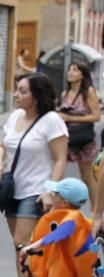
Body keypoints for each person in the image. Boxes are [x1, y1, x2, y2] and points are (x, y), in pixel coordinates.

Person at [0, 73, 68, 277]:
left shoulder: (51, 121)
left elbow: (61, 160)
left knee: (21, 242)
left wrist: (50, 191)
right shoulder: (15, 116)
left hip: (36, 190)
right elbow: (2, 145)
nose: (16, 95)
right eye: (17, 89)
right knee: (20, 246)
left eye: (22, 91)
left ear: (36, 96)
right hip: (12, 189)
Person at [57, 62, 100, 209]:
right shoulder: (65, 94)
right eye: (69, 69)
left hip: (84, 139)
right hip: (67, 139)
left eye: (75, 70)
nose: (70, 72)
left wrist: (72, 118)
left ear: (82, 74)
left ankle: (96, 211)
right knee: (59, 174)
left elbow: (96, 116)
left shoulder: (88, 92)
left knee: (87, 176)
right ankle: (60, 208)